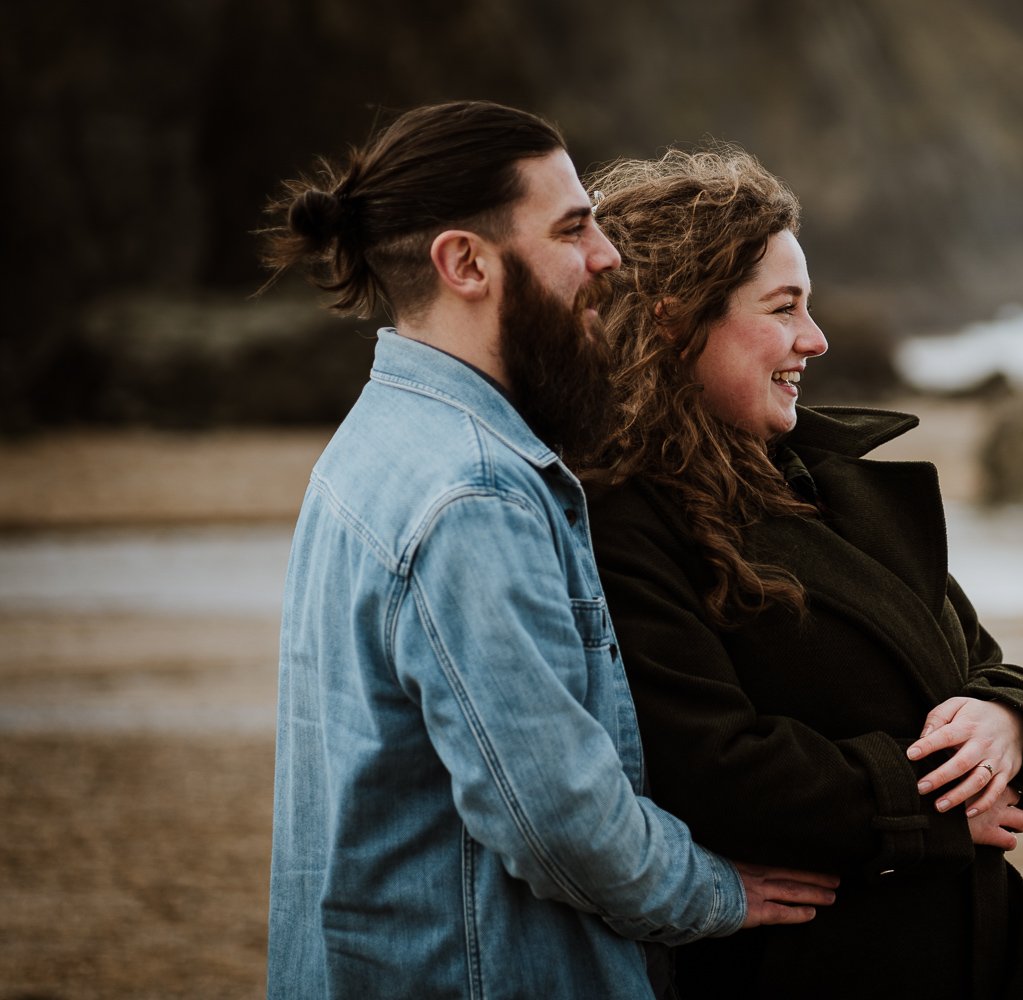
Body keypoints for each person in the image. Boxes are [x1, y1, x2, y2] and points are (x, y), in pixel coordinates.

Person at [258, 103, 838, 1000]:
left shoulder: (379, 440)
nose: (606, 256)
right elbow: (556, 818)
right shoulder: (474, 492)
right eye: (572, 229)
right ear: (465, 263)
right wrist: (715, 890)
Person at [580, 147, 1023, 999]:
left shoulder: (827, 480)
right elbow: (712, 767)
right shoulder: (621, 520)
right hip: (810, 967)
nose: (818, 338)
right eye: (784, 308)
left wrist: (1009, 718)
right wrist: (941, 811)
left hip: (979, 955)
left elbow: (975, 657)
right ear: (673, 321)